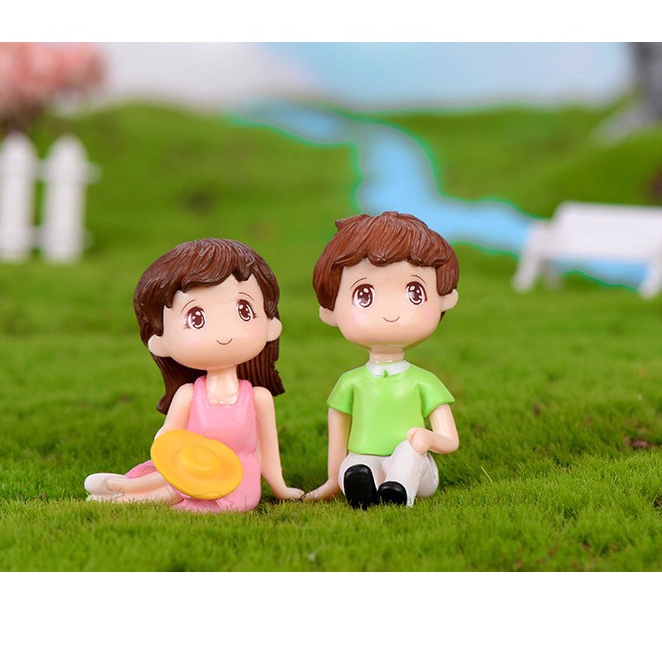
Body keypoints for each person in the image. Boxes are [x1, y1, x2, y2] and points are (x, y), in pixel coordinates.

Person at [84, 238, 303, 512]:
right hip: (190, 467)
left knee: (179, 490)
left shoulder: (258, 398)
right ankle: (127, 488)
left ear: (271, 324)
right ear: (160, 341)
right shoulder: (188, 395)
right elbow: (169, 441)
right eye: (196, 317)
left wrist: (281, 488)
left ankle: (125, 493)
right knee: (175, 481)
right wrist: (165, 443)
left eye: (243, 310)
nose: (224, 332)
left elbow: (268, 453)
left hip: (236, 479)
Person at [305, 212, 460, 509]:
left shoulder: (423, 382)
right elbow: (337, 440)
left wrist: (428, 439)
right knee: (355, 467)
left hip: (417, 466)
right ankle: (364, 486)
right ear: (331, 310)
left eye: (414, 292)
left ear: (444, 298)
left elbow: (450, 440)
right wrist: (332, 481)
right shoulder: (350, 383)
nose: (391, 311)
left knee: (407, 452)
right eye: (364, 294)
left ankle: (398, 491)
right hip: (364, 459)